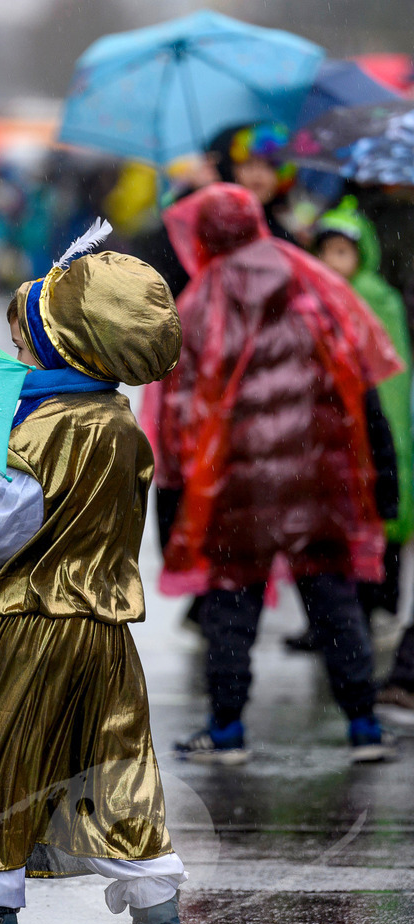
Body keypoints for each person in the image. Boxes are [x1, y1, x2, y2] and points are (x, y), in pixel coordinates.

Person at [0, 233, 189, 924]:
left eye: (23, 343)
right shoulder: (121, 425)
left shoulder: (36, 432)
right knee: (115, 766)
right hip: (101, 633)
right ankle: (157, 908)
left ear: (63, 347)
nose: (16, 356)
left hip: (22, 629)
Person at [157, 183, 403, 765]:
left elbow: (177, 415)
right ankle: (363, 721)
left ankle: (225, 728)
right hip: (317, 478)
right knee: (333, 599)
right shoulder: (311, 287)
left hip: (235, 487)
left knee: (230, 606)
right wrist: (382, 475)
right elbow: (357, 384)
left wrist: (170, 506)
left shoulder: (197, 306)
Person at [314, 197, 413, 627]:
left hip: (371, 416)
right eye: (325, 251)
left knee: (380, 501)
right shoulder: (315, 296)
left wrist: (384, 422)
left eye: (342, 251)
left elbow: (388, 372)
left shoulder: (378, 298)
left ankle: (378, 604)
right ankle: (342, 615)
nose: (333, 261)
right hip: (337, 420)